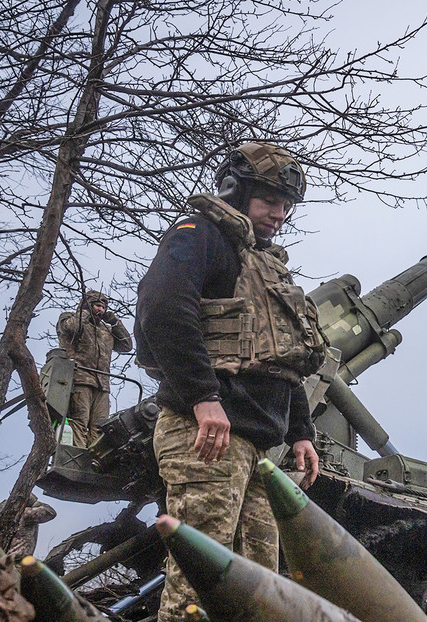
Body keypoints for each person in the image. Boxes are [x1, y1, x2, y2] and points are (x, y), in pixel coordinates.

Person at [135, 142, 328, 622]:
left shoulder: (265, 265)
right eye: (269, 201)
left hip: (259, 449)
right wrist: (204, 397)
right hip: (206, 436)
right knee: (198, 585)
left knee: (256, 590)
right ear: (235, 191)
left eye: (287, 206)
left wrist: (301, 431)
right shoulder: (198, 235)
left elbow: (283, 358)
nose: (279, 214)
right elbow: (163, 309)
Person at [56, 290, 133, 447]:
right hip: (80, 379)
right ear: (88, 305)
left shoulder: (106, 330)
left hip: (102, 385)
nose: (101, 310)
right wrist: (84, 312)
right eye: (98, 306)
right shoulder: (70, 319)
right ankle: (77, 460)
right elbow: (70, 329)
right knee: (79, 420)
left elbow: (126, 345)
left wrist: (115, 323)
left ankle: (93, 461)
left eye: (103, 307)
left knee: (99, 427)